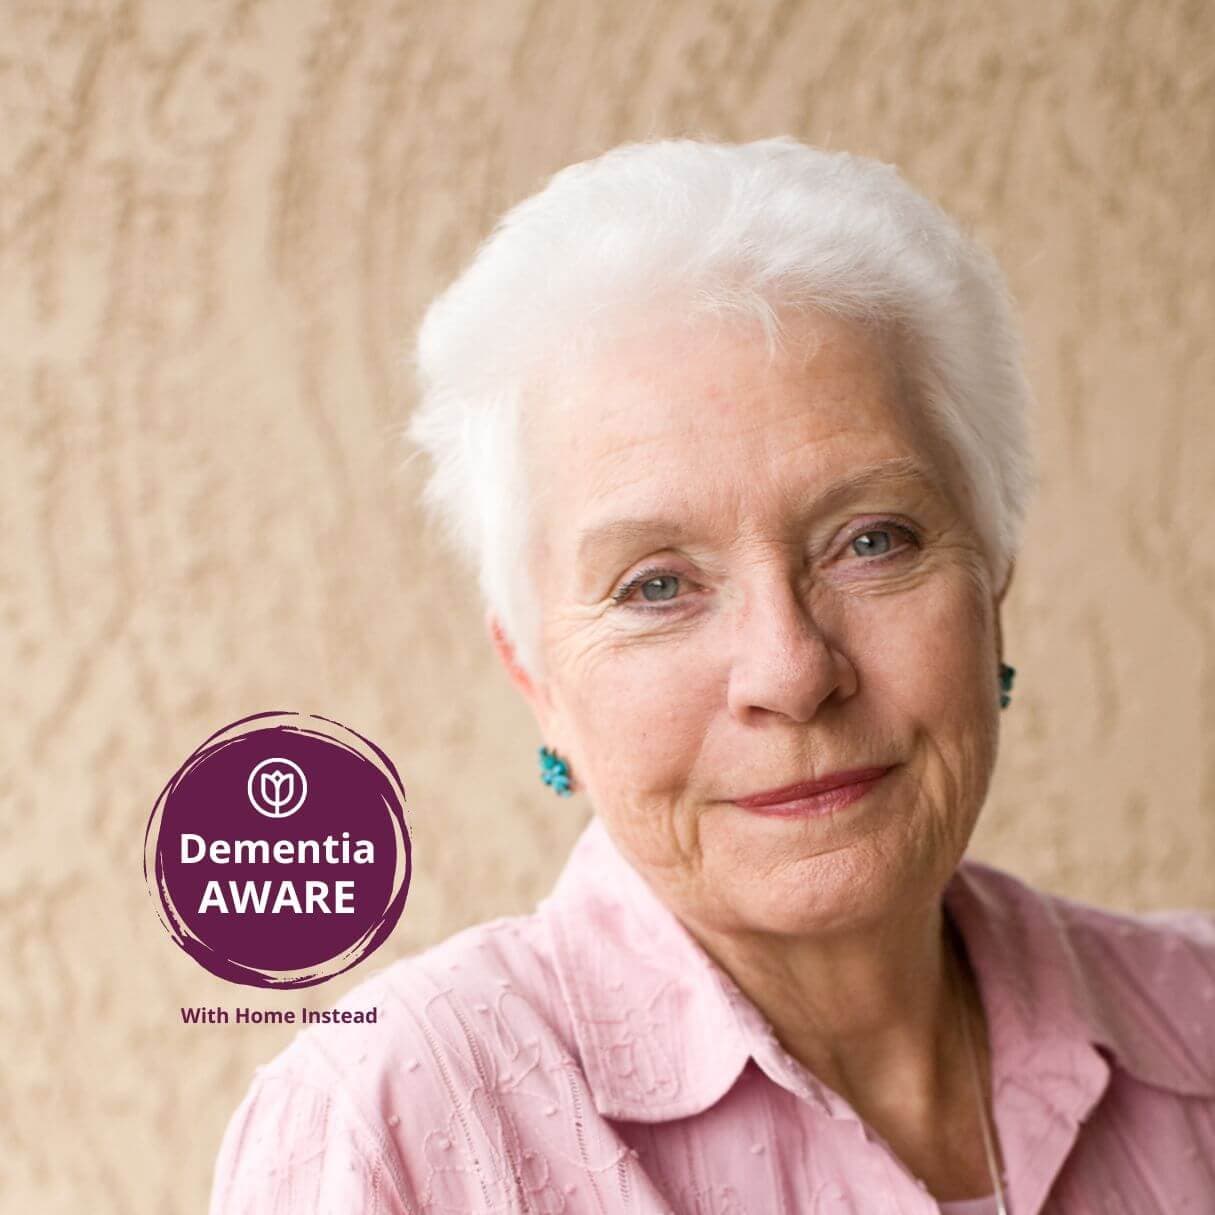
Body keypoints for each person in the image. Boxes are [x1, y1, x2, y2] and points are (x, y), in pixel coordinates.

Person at [209, 137, 1215, 1214]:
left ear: (993, 583)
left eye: (870, 540)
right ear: (537, 678)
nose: (789, 672)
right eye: (655, 587)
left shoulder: (1193, 1018)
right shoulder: (393, 1128)